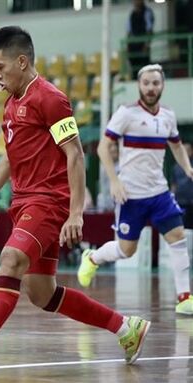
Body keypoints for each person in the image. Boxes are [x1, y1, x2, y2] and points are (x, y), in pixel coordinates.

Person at [0, 26, 150, 376]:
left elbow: (74, 155)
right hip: (23, 203)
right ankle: (125, 328)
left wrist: (76, 213)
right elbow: (12, 155)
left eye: (0, 67)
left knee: (10, 260)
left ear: (22, 61)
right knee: (42, 294)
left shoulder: (50, 98)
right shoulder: (12, 103)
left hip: (48, 203)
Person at [78, 64, 193, 315]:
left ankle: (185, 297)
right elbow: (102, 148)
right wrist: (115, 182)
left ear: (162, 85)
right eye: (146, 83)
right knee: (126, 250)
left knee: (177, 238)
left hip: (160, 193)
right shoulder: (126, 113)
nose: (151, 88)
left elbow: (176, 146)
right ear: (139, 85)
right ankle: (92, 258)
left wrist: (188, 169)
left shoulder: (168, 116)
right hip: (130, 194)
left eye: (156, 83)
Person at [127, 0, 154, 79]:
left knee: (144, 69)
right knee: (135, 69)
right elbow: (129, 32)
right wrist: (128, 45)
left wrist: (146, 44)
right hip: (133, 46)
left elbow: (149, 30)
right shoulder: (132, 14)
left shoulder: (147, 12)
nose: (135, 2)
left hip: (143, 45)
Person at [172, 142, 193, 230]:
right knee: (182, 227)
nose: (184, 153)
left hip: (191, 201)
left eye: (187, 150)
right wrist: (172, 199)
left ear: (191, 151)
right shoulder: (176, 167)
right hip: (180, 201)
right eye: (183, 150)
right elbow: (174, 184)